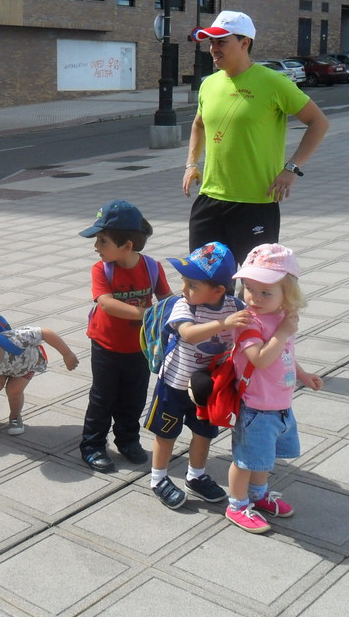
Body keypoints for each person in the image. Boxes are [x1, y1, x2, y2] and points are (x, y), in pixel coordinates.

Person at [182, 11, 330, 267]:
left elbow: (319, 123)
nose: (213, 49)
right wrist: (191, 163)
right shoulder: (209, 84)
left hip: (256, 203)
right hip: (210, 199)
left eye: (221, 42)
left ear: (244, 42)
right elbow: (199, 124)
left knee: (255, 285)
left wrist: (291, 168)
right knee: (204, 283)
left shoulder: (274, 83)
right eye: (211, 42)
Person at [143, 242, 251, 509]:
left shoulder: (234, 306)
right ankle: (158, 478)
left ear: (218, 290)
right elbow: (188, 334)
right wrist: (223, 324)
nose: (183, 289)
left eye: (192, 284)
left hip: (207, 388)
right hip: (174, 384)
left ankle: (196, 475)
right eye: (183, 281)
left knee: (204, 434)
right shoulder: (184, 307)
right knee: (166, 434)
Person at [225, 243, 323, 533]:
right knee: (245, 460)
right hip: (256, 407)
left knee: (262, 459)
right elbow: (260, 358)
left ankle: (258, 496)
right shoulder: (249, 323)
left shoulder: (280, 318)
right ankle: (237, 506)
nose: (253, 297)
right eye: (249, 288)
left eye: (265, 292)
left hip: (278, 404)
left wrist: (303, 375)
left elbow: (285, 355)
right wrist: (282, 333)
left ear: (287, 295)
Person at [78, 199, 172, 473]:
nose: (96, 247)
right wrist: (148, 314)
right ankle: (93, 445)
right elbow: (106, 303)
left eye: (102, 240)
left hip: (140, 348)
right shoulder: (102, 269)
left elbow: (165, 299)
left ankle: (128, 441)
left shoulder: (152, 267)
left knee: (134, 396)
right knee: (103, 396)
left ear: (126, 246)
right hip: (106, 345)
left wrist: (176, 316)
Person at [0, 315, 79, 442]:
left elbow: (44, 332)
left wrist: (67, 353)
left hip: (25, 366)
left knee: (14, 390)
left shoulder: (16, 339)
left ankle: (15, 416)